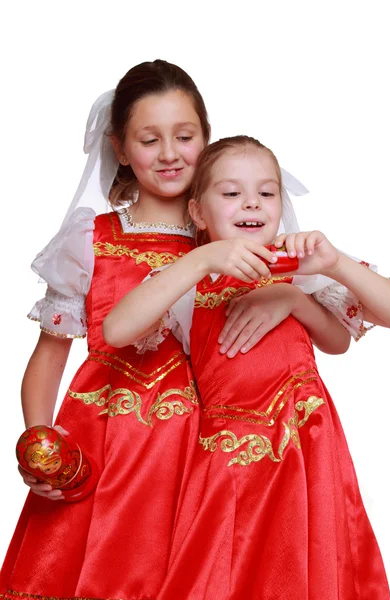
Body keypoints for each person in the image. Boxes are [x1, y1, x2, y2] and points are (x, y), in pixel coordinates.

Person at [103, 136, 390, 599]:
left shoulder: (295, 265)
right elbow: (116, 330)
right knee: (223, 579)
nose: (252, 204)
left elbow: (348, 335)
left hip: (308, 454)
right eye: (232, 193)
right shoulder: (188, 281)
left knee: (307, 570)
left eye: (266, 192)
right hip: (228, 466)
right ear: (198, 213)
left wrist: (321, 274)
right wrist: (200, 260)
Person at [0, 59, 211, 600]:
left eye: (184, 136)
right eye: (149, 139)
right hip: (107, 443)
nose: (169, 154)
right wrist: (38, 439)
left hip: (202, 450)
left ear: (206, 139)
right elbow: (50, 356)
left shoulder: (229, 229)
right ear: (120, 147)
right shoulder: (90, 240)